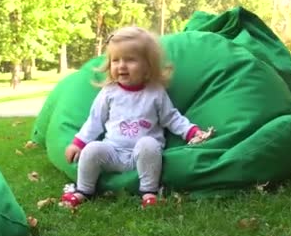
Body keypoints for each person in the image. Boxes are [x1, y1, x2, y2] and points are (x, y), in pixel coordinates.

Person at [61, 26, 210, 209]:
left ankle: (148, 191)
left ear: (147, 65)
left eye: (130, 60)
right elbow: (95, 121)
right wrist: (78, 143)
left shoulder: (155, 92)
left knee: (148, 144)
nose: (121, 65)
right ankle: (83, 190)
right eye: (115, 60)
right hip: (113, 152)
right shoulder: (109, 93)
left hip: (142, 155)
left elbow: (171, 118)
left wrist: (191, 132)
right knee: (92, 149)